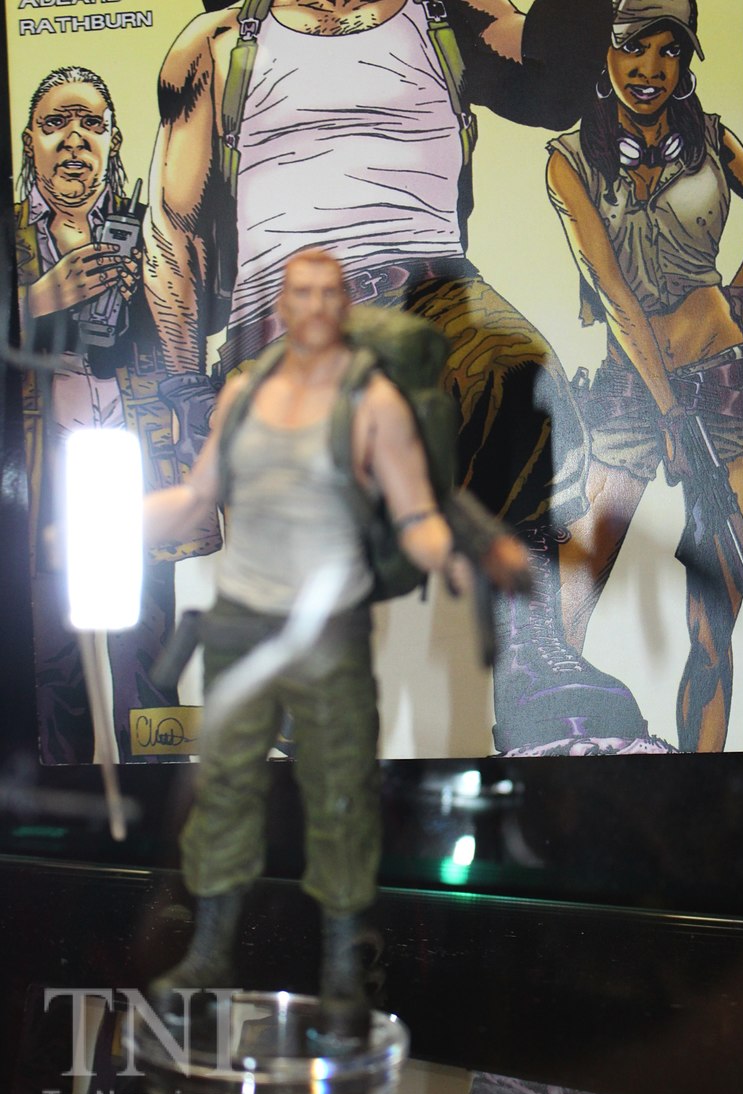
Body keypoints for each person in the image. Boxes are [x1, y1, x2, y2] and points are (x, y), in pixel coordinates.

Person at [142, 0, 615, 755]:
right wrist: (180, 389)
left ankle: (534, 662)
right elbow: (174, 227)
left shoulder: (444, 11)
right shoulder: (220, 42)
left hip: (432, 291)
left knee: (519, 373)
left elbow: (552, 85)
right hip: (286, 314)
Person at [145, 249, 529, 1042]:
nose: (317, 308)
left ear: (344, 305)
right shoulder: (245, 393)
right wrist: (116, 521)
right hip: (245, 623)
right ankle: (209, 952)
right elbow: (200, 493)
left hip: (330, 629)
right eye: (303, 294)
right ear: (284, 307)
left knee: (339, 800)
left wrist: (457, 555)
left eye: (330, 294)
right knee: (228, 792)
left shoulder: (373, 401)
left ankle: (344, 973)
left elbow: (416, 512)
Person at [545, 0, 743, 752]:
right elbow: (612, 291)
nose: (651, 68)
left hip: (727, 387)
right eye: (635, 47)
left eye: (671, 50)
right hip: (631, 395)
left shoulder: (713, 138)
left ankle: (705, 781)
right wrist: (669, 410)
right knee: (565, 605)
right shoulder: (569, 160)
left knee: (714, 624)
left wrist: (742, 294)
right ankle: (556, 763)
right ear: (605, 53)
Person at [16, 66, 216, 764]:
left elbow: (194, 334)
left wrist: (154, 296)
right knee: (54, 674)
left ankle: (159, 809)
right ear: (30, 141)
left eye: (92, 124)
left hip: (139, 476)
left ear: (113, 140)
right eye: (56, 123)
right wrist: (35, 302)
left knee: (149, 668)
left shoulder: (152, 231)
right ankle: (63, 815)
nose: (75, 139)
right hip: (43, 484)